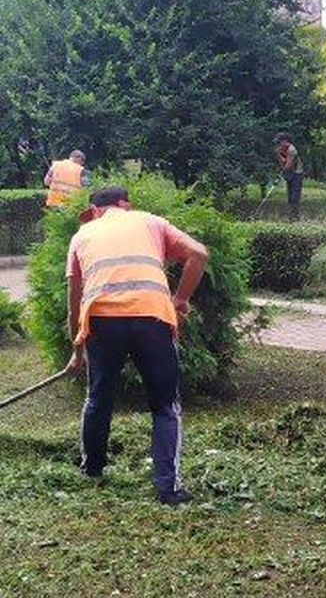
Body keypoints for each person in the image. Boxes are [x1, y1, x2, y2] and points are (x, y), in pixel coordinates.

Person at [65, 186, 209, 505]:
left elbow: (74, 298)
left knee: (98, 397)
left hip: (101, 320)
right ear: (125, 205)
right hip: (152, 317)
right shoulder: (152, 222)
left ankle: (92, 470)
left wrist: (78, 349)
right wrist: (180, 300)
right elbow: (198, 253)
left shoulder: (82, 235)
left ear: (98, 209)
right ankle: (167, 489)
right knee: (164, 405)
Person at [274, 132, 303, 219]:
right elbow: (282, 164)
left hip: (297, 174)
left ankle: (295, 216)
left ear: (285, 141)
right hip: (290, 173)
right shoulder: (282, 150)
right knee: (290, 196)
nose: (278, 145)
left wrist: (281, 174)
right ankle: (292, 215)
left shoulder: (291, 150)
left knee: (295, 196)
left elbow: (288, 165)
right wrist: (279, 155)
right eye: (277, 143)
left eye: (279, 142)